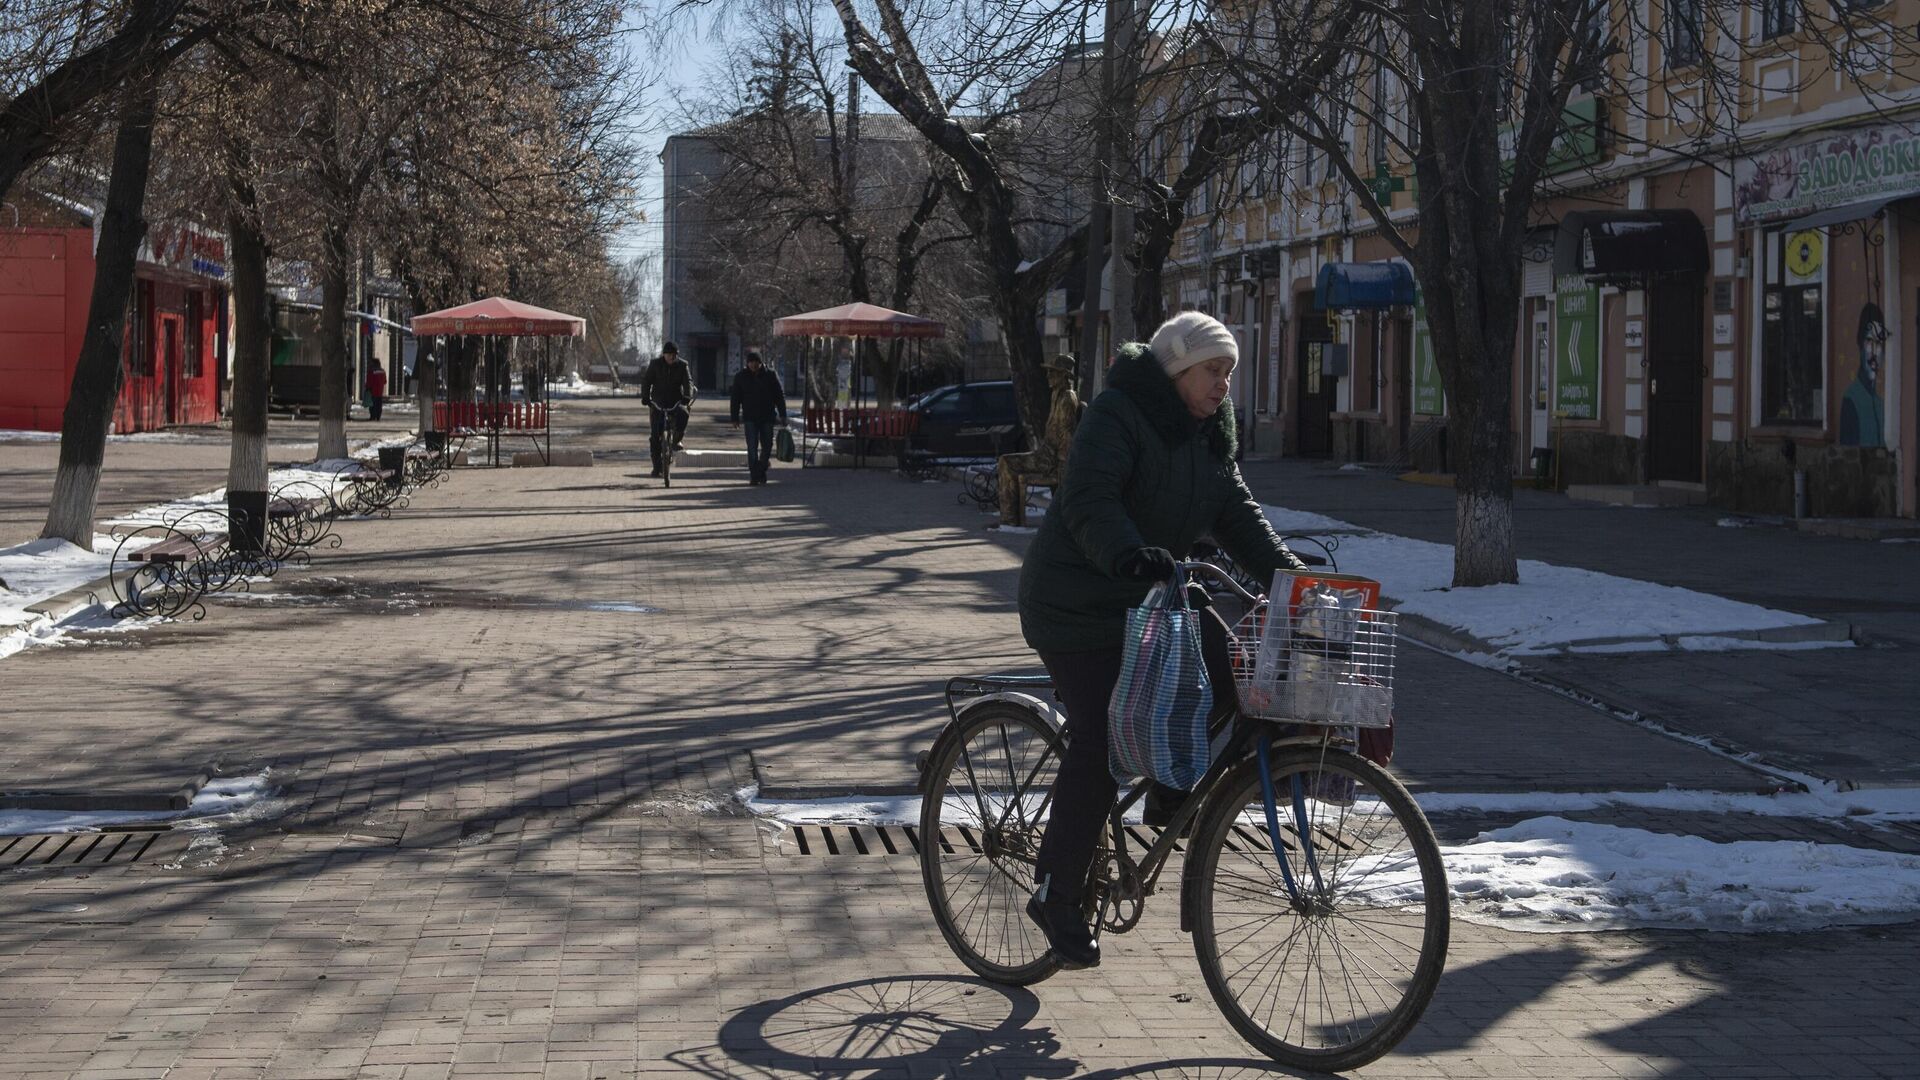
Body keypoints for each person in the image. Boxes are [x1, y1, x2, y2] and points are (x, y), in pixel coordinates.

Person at [1017, 310, 1308, 970]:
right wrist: (1127, 554)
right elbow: (1090, 500)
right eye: (1214, 371)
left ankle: (1170, 784)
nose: (1224, 386)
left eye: (1231, 374)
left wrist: (1294, 581)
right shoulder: (1118, 414)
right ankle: (1057, 895)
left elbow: (1240, 519)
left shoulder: (1211, 439)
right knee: (1102, 731)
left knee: (1227, 656)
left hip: (1151, 598)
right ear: (1177, 368)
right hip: (1076, 605)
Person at [996, 355, 1084, 526]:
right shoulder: (1056, 395)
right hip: (1044, 454)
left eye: (1053, 372)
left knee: (1005, 462)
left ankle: (1009, 520)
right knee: (1006, 462)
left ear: (1063, 376)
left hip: (1050, 461)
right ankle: (1011, 520)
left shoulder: (1067, 398)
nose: (1048, 376)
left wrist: (1063, 469)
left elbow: (1067, 436)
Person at [730, 350, 788, 485]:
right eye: (751, 362)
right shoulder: (741, 377)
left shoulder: (770, 375)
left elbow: (779, 396)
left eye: (756, 362)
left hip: (767, 416)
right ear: (747, 363)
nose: (754, 365)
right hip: (750, 417)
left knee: (767, 445)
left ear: (761, 363)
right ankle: (754, 475)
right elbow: (735, 398)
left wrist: (783, 414)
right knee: (752, 447)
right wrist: (734, 417)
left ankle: (760, 469)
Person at [641, 342, 695, 477]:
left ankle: (676, 439)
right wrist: (645, 397)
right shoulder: (655, 364)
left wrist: (687, 396)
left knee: (684, 413)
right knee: (655, 437)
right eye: (669, 354)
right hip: (657, 403)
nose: (672, 357)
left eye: (674, 355)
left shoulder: (683, 365)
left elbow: (688, 382)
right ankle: (657, 467)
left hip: (675, 401)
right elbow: (647, 381)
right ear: (664, 354)